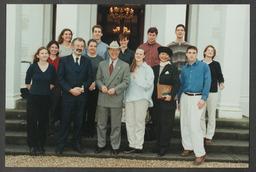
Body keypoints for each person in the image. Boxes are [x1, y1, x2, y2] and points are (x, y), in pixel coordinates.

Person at [55, 37, 94, 154]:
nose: (79, 48)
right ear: (72, 46)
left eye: (81, 46)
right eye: (77, 45)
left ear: (84, 48)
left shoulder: (87, 61)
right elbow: (60, 78)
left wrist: (82, 88)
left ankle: (77, 144)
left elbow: (90, 78)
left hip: (82, 96)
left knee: (79, 122)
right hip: (68, 96)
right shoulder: (63, 60)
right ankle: (61, 145)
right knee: (65, 121)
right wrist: (70, 90)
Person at [178, 46, 211, 165]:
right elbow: (181, 85)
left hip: (197, 98)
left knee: (194, 125)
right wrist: (179, 101)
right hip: (185, 97)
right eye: (189, 53)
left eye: (194, 53)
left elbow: (207, 82)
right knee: (185, 124)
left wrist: (204, 98)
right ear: (186, 54)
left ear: (197, 54)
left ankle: (200, 153)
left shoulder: (204, 66)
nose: (191, 55)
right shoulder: (185, 68)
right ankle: (188, 147)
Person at [95, 41, 130, 155]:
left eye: (116, 50)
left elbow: (126, 82)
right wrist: (101, 86)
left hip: (116, 98)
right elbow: (98, 79)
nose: (114, 52)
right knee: (101, 124)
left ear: (119, 51)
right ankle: (101, 144)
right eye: (112, 50)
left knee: (116, 125)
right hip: (103, 97)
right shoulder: (102, 64)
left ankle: (115, 146)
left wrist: (115, 89)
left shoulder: (124, 65)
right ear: (108, 51)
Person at [25, 47, 56, 155]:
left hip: (45, 98)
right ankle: (32, 145)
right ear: (37, 55)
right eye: (42, 53)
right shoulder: (32, 67)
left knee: (43, 122)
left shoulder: (51, 68)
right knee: (32, 122)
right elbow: (28, 82)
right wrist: (36, 90)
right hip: (33, 97)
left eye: (46, 53)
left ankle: (41, 145)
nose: (44, 55)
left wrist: (43, 90)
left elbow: (52, 83)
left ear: (48, 55)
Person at [123, 48, 154, 155]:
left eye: (141, 54)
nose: (138, 55)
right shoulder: (130, 68)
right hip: (129, 99)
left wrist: (138, 78)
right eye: (137, 53)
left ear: (144, 56)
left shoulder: (147, 69)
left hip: (141, 99)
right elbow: (126, 85)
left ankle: (139, 146)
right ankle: (131, 144)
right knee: (129, 123)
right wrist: (124, 99)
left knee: (139, 123)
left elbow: (148, 85)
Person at [151, 46, 180, 157]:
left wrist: (171, 96)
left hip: (167, 102)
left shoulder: (172, 68)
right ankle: (158, 146)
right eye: (162, 54)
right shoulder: (153, 68)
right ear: (159, 55)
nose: (163, 56)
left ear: (168, 57)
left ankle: (163, 148)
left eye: (166, 55)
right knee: (157, 124)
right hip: (156, 102)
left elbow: (177, 83)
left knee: (166, 125)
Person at [201, 45, 224, 145]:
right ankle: (202, 134)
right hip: (201, 93)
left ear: (213, 54)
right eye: (208, 50)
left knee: (211, 115)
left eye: (212, 51)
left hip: (212, 92)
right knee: (201, 115)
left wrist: (221, 82)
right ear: (205, 52)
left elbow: (220, 75)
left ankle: (209, 136)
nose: (210, 52)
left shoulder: (216, 64)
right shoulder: (200, 64)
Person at [84, 39, 104, 138]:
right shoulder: (83, 58)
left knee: (92, 110)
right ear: (87, 47)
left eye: (95, 46)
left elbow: (101, 74)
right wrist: (87, 85)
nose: (93, 48)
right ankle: (81, 130)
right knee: (82, 110)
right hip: (84, 87)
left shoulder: (100, 59)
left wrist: (95, 83)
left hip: (95, 88)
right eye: (91, 46)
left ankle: (89, 131)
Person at [46, 40, 61, 136]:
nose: (54, 49)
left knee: (53, 108)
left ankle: (51, 129)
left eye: (56, 47)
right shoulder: (44, 58)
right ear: (49, 48)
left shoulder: (61, 60)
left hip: (56, 86)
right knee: (45, 108)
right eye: (52, 47)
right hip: (44, 87)